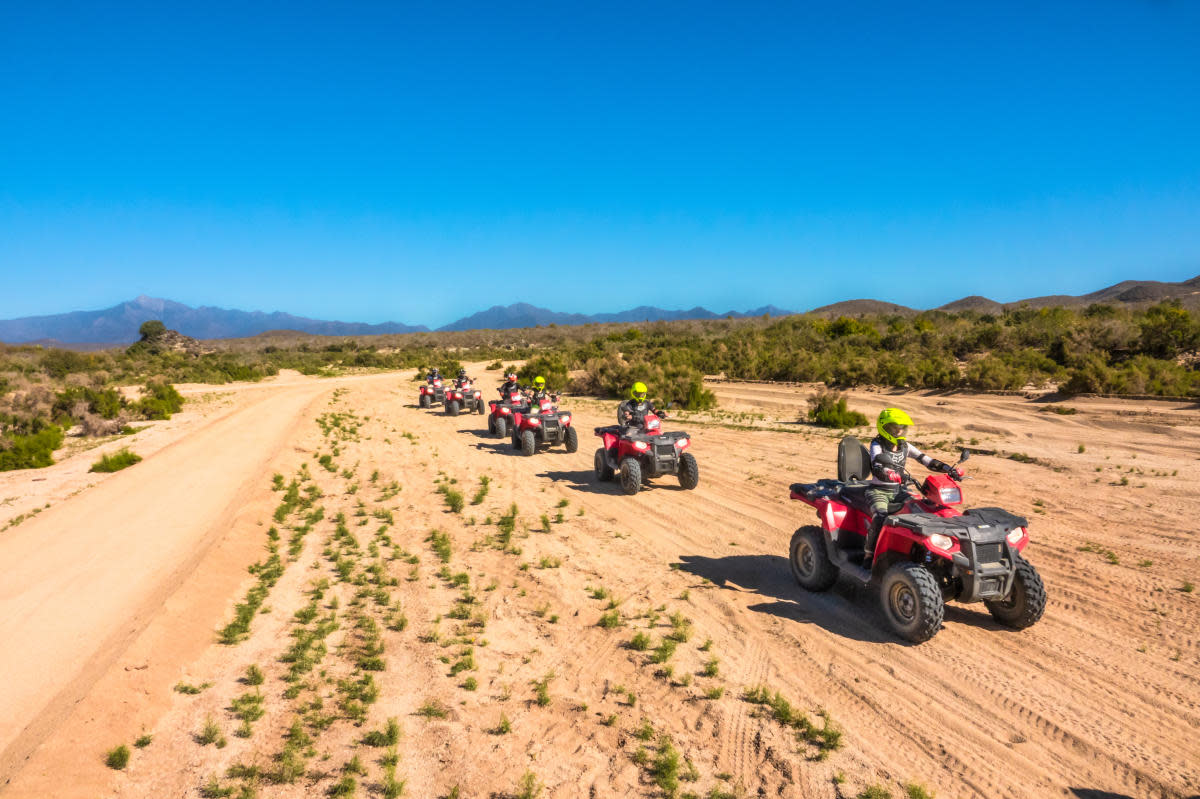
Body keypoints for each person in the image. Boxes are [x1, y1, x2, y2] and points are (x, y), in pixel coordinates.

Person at [863, 408, 963, 569]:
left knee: (923, 511)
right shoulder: (877, 444)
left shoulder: (905, 446)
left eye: (902, 428)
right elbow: (877, 465)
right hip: (879, 491)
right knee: (880, 516)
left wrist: (947, 468)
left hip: (899, 491)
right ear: (885, 427)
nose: (899, 431)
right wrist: (890, 473)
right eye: (895, 428)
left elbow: (926, 459)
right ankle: (869, 555)